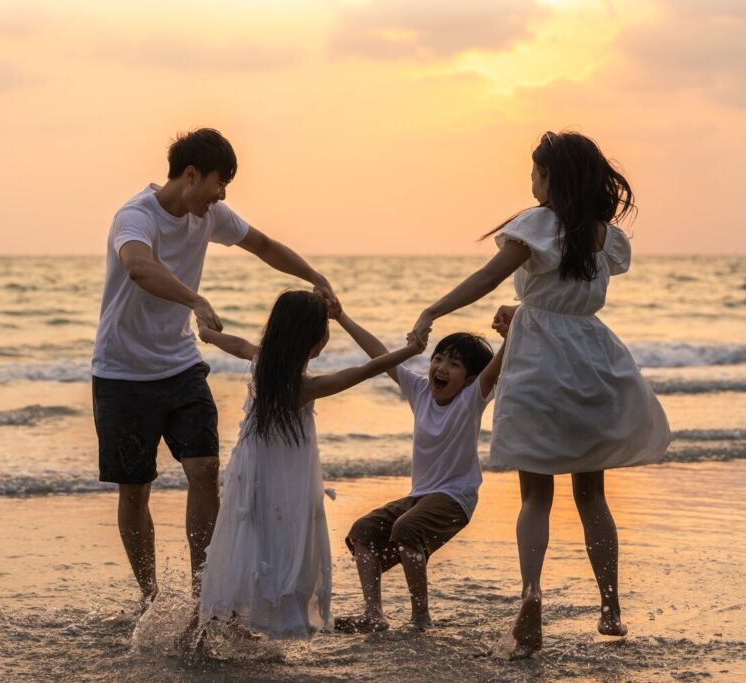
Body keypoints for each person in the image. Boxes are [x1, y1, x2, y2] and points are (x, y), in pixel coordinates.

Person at [407, 131, 671, 658]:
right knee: (591, 494)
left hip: (538, 367)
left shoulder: (537, 225)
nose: (530, 181)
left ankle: (531, 596)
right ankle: (610, 605)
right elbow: (564, 299)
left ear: (551, 177)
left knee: (536, 496)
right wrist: (523, 313)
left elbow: (488, 276)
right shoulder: (602, 234)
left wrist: (433, 311)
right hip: (593, 363)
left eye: (535, 172)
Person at [91, 128, 339, 606]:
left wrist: (314, 276)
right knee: (136, 491)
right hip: (122, 373)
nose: (222, 195)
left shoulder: (210, 216)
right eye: (218, 183)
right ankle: (150, 597)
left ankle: (205, 596)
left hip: (182, 365)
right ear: (190, 175)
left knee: (204, 471)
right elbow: (139, 267)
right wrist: (195, 299)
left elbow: (264, 245)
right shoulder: (134, 217)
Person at [195, 291, 429, 639]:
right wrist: (411, 351)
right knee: (278, 541)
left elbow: (239, 345)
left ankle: (226, 615)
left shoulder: (264, 366)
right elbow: (366, 370)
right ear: (315, 339)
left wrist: (209, 334)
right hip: (280, 481)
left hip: (248, 474)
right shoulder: (304, 385)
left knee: (245, 535)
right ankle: (261, 613)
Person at [334, 313, 507, 633]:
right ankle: (374, 615)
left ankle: (420, 619)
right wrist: (341, 316)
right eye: (438, 358)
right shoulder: (420, 391)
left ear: (471, 378)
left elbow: (497, 364)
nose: (440, 368)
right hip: (420, 496)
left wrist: (513, 331)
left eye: (454, 365)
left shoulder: (472, 397)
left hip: (456, 497)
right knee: (363, 529)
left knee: (407, 528)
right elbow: (379, 354)